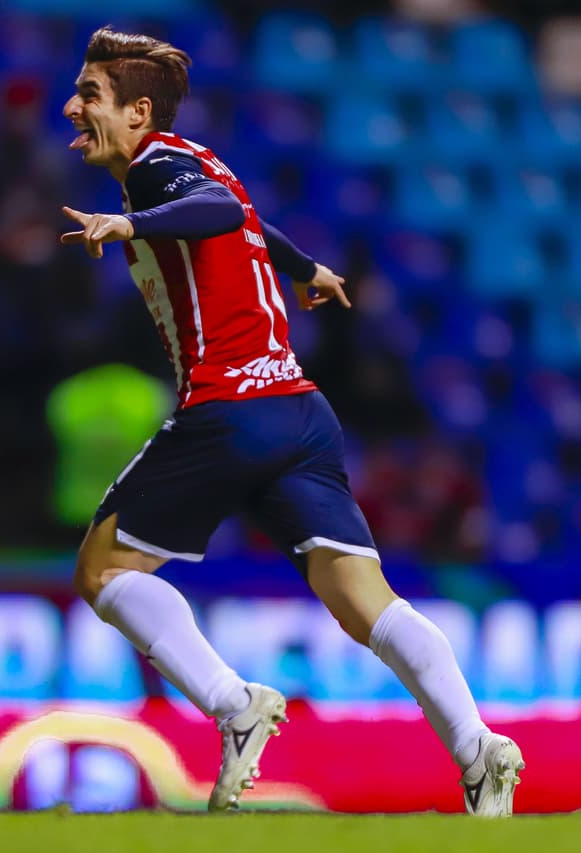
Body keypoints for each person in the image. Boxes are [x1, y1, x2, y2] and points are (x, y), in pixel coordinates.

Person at [57, 27, 523, 816]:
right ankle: (479, 751)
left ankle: (235, 704)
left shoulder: (155, 171)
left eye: (90, 95)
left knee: (103, 570)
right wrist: (305, 267)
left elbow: (208, 214)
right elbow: (238, 215)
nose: (73, 106)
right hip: (300, 412)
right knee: (362, 601)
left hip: (230, 406)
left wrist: (127, 225)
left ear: (138, 113)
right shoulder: (196, 156)